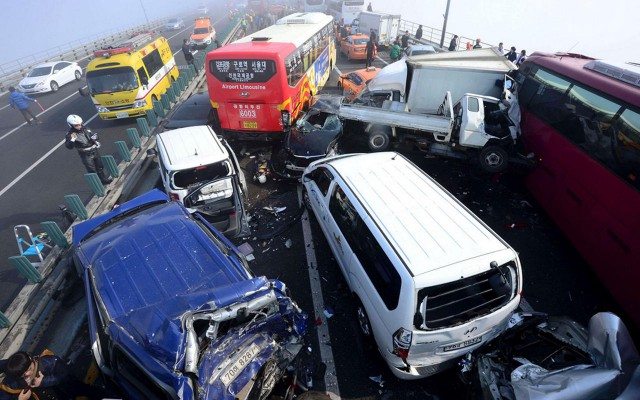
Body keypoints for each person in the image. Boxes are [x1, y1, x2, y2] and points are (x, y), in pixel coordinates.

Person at [0, 350, 105, 400]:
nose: (27, 374)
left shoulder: (50, 363)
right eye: (22, 375)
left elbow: (66, 375)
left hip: (68, 392)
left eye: (29, 369)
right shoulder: (12, 380)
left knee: (92, 392)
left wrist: (44, 382)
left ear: (31, 359)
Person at [64, 114, 112, 185]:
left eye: (80, 124)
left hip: (94, 150)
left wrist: (95, 140)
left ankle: (104, 180)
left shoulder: (86, 129)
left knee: (100, 166)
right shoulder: (70, 134)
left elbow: (94, 136)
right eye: (76, 125)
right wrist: (72, 140)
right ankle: (97, 184)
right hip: (85, 154)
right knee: (92, 170)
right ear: (71, 125)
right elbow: (69, 146)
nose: (79, 126)